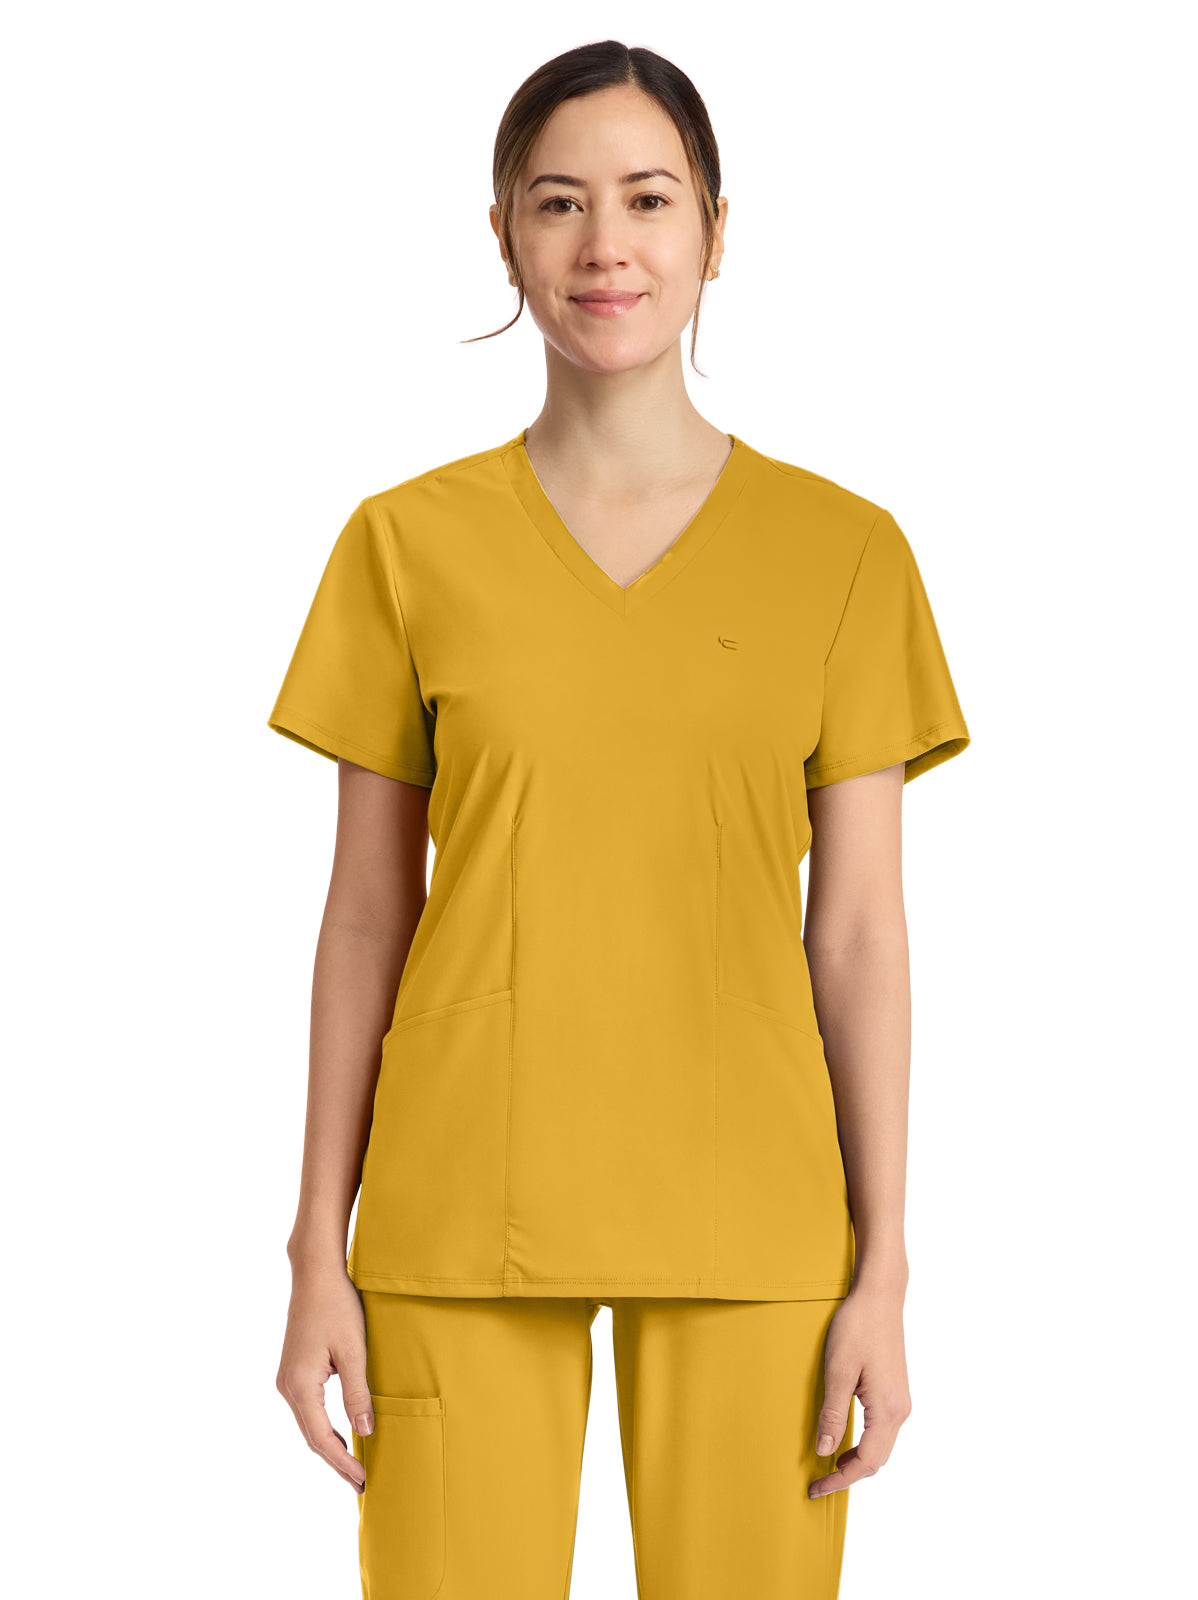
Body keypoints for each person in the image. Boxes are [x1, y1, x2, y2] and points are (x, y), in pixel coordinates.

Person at [268, 38, 971, 1600]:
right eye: (559, 202)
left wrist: (886, 1265)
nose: (607, 246)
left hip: (756, 1219)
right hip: (460, 1209)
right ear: (504, 234)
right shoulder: (404, 548)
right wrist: (316, 1243)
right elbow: (367, 914)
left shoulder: (845, 556)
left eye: (650, 200)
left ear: (717, 231)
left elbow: (859, 931)